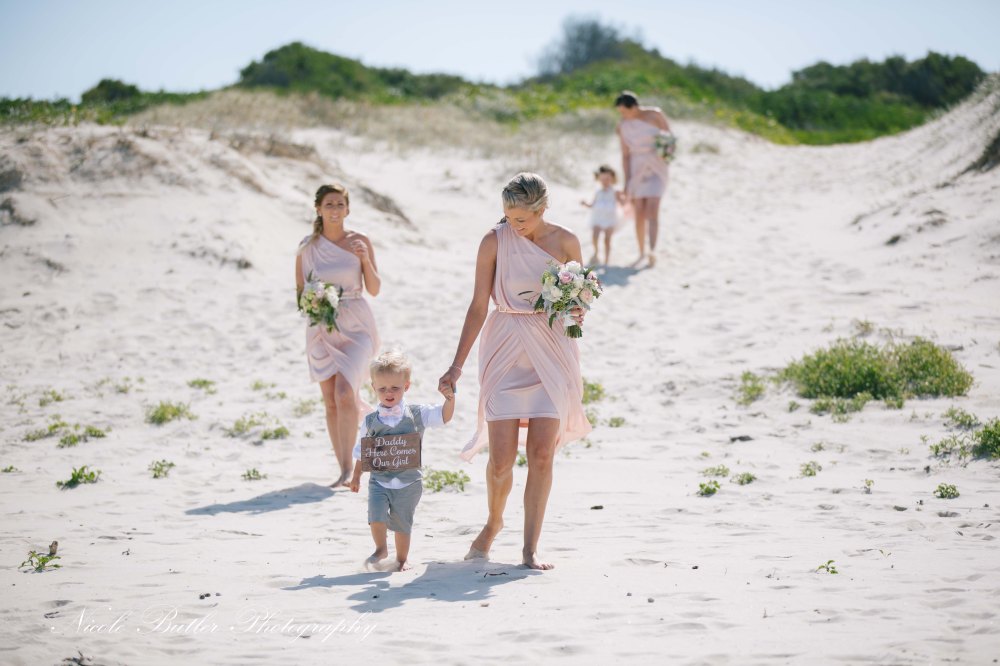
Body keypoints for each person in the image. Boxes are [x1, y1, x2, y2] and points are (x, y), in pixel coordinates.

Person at [438, 172, 592, 570]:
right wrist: (455, 366)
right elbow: (478, 305)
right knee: (501, 460)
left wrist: (577, 310)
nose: (514, 225)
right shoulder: (494, 241)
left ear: (542, 209)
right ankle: (493, 522)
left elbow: (577, 300)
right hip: (505, 345)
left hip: (551, 348)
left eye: (521, 218)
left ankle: (529, 548)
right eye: (508, 217)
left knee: (541, 454)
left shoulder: (566, 241)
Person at [296, 183, 381, 488]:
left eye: (340, 204)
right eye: (329, 204)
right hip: (322, 326)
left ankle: (350, 468)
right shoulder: (307, 247)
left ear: (347, 209)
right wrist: (314, 300)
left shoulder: (360, 241)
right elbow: (300, 293)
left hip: (357, 323)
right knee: (331, 401)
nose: (335, 210)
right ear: (318, 209)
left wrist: (365, 260)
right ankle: (344, 468)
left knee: (345, 393)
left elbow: (374, 289)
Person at [349, 351, 455, 571]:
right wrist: (356, 476)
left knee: (402, 523)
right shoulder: (370, 421)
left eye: (395, 388)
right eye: (382, 389)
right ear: (374, 388)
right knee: (376, 516)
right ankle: (380, 549)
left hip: (409, 483)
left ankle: (401, 559)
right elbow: (362, 450)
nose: (389, 393)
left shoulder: (417, 413)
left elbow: (443, 416)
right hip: (379, 480)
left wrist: (449, 400)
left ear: (406, 386)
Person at [615, 90, 672, 267]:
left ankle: (652, 251)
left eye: (624, 111)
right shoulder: (623, 125)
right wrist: (627, 181)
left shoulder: (655, 114)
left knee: (653, 209)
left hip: (657, 165)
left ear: (634, 106)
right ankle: (641, 252)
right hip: (637, 167)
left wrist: (666, 153)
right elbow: (625, 155)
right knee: (639, 211)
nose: (623, 115)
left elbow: (669, 138)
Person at [580, 164, 627, 266]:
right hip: (597, 217)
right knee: (595, 236)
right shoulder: (598, 191)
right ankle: (596, 252)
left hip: (610, 219)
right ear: (599, 179)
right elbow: (592, 204)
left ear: (612, 179)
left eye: (607, 179)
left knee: (607, 239)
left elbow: (622, 203)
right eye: (602, 179)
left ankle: (606, 260)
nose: (605, 182)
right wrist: (585, 204)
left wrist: (624, 198)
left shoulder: (615, 191)